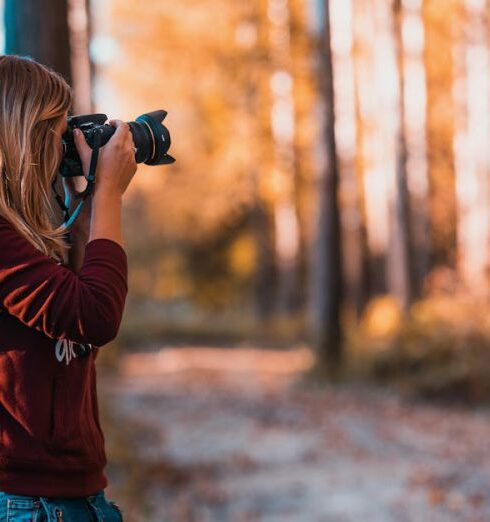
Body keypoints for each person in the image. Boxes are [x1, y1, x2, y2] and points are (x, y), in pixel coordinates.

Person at [0, 54, 137, 520]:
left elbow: (85, 295)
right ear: (24, 137)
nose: (64, 146)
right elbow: (95, 314)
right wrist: (107, 197)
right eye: (56, 134)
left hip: (71, 493)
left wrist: (85, 194)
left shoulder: (32, 233)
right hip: (24, 500)